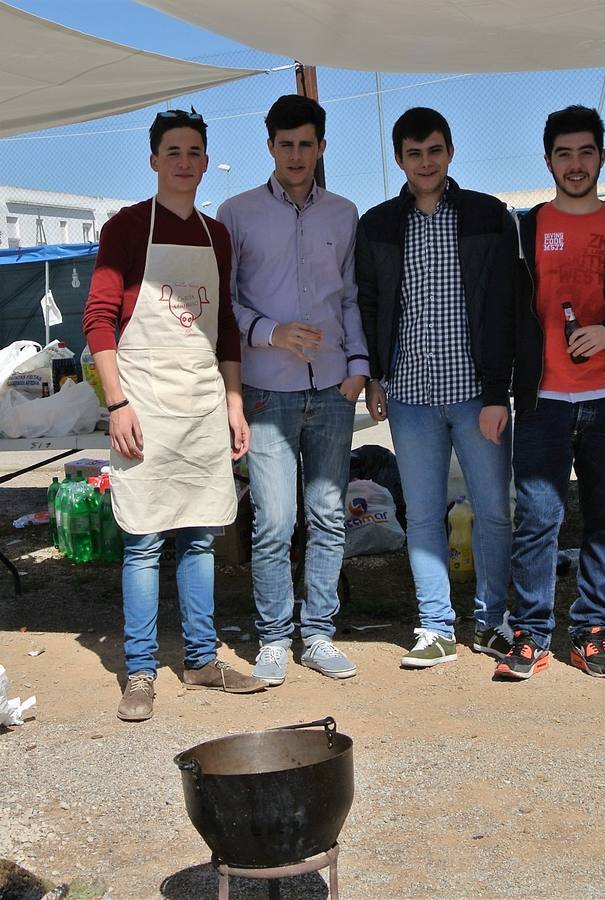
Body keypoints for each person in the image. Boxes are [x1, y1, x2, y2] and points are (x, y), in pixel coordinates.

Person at [83, 108, 263, 722]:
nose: (185, 162)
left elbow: (226, 330)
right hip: (143, 404)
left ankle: (202, 659)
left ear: (206, 161)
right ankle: (138, 670)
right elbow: (99, 320)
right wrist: (117, 404)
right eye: (174, 152)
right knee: (142, 541)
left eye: (195, 152)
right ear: (154, 160)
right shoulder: (126, 228)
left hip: (202, 403)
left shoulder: (218, 236)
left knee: (200, 536)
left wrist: (234, 404)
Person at [494, 105, 605, 680]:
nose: (575, 164)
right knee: (539, 518)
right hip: (542, 402)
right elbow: (505, 317)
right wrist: (501, 391)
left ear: (601, 158)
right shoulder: (526, 228)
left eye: (585, 152)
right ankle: (532, 634)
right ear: (548, 160)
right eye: (563, 154)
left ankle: (592, 630)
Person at [356, 107, 517, 668]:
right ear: (399, 160)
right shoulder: (377, 224)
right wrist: (375, 376)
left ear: (450, 153)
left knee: (494, 507)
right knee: (423, 514)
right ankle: (434, 626)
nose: (425, 162)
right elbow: (371, 304)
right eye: (413, 153)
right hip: (409, 393)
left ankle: (493, 618)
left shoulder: (487, 215)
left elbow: (504, 304)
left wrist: (500, 390)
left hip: (476, 391)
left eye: (435, 151)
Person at [217, 95, 369, 684]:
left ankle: (320, 634)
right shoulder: (236, 213)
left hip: (333, 386)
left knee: (328, 514)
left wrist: (357, 365)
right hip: (265, 388)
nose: (297, 155)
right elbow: (225, 301)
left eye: (307, 144)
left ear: (322, 147)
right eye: (286, 144)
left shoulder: (343, 213)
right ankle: (275, 637)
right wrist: (270, 331)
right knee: (275, 521)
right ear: (270, 147)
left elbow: (352, 294)